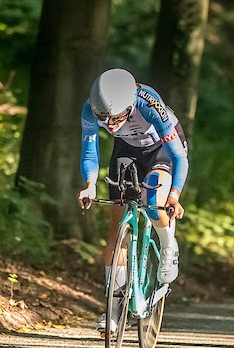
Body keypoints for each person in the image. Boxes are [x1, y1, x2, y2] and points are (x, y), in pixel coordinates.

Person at [77, 68, 189, 333]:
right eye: (103, 118)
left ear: (129, 106)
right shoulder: (89, 109)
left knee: (152, 195)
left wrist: (174, 195)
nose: (110, 124)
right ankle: (113, 310)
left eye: (115, 117)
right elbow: (89, 151)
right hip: (126, 149)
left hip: (161, 149)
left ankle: (168, 246)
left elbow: (178, 157)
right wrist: (90, 186)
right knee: (116, 226)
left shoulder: (149, 104)